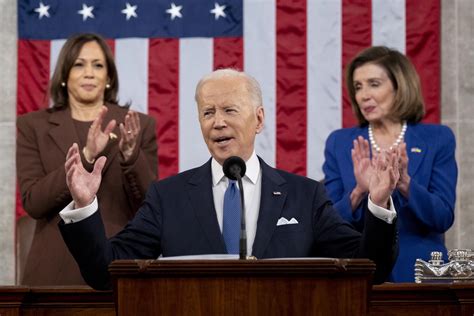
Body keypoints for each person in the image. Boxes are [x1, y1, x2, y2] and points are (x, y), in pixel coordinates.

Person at [58, 68, 399, 290]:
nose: (217, 122)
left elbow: (370, 267)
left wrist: (379, 204)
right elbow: (106, 271)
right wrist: (85, 206)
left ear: (259, 119)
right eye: (208, 113)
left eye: (229, 110)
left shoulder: (305, 196)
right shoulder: (168, 197)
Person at [16, 33, 158, 285]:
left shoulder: (138, 125)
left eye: (98, 65)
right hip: (54, 270)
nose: (89, 73)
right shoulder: (32, 126)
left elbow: (150, 206)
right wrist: (87, 156)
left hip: (118, 266)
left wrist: (130, 156)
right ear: (64, 74)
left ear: (109, 77)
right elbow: (34, 203)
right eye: (79, 64)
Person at [323, 46, 457, 282]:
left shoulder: (437, 138)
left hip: (420, 275)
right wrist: (358, 192)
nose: (363, 95)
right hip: (357, 275)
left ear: (399, 86)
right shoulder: (340, 143)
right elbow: (326, 223)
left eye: (374, 84)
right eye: (358, 86)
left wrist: (405, 183)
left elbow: (442, 217)